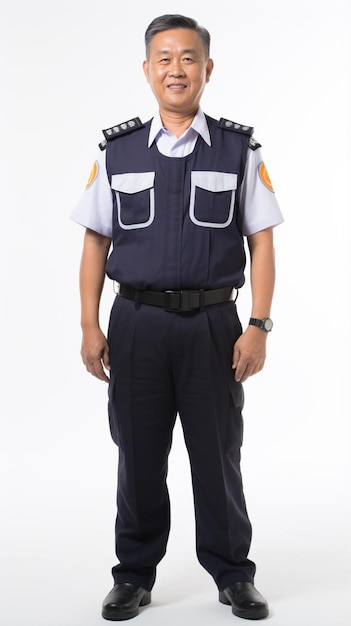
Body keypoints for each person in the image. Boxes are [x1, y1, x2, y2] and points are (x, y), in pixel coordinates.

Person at [71, 13, 283, 621]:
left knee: (217, 453)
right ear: (147, 70)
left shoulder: (239, 150)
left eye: (188, 58)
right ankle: (133, 574)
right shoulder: (118, 151)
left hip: (214, 327)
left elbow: (262, 242)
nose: (176, 69)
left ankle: (232, 574)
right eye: (164, 58)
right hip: (135, 323)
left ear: (207, 69)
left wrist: (258, 325)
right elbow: (94, 241)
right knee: (137, 454)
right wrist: (90, 325)